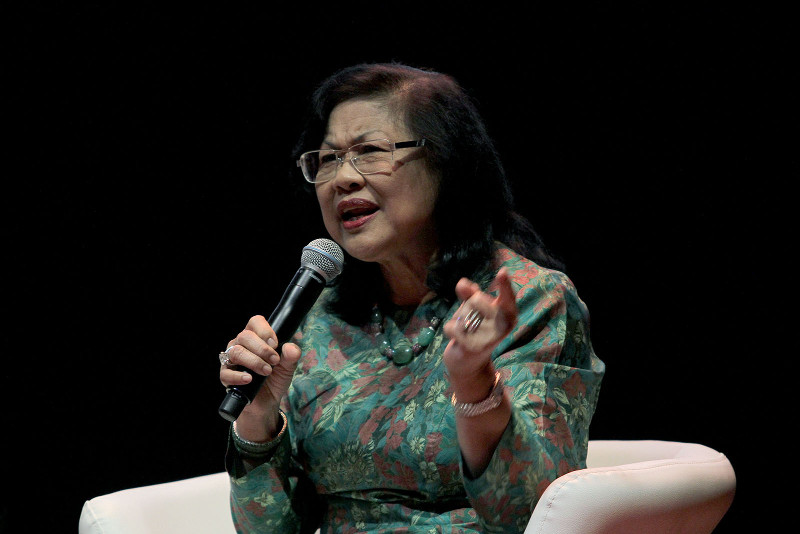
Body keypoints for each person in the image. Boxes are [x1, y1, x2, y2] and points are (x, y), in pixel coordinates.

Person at [218, 62, 605, 533]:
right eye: (329, 158)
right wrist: (259, 421)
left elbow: (536, 516)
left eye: (370, 151)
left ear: (446, 163)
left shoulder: (526, 301)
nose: (343, 178)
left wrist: (475, 385)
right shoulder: (319, 316)